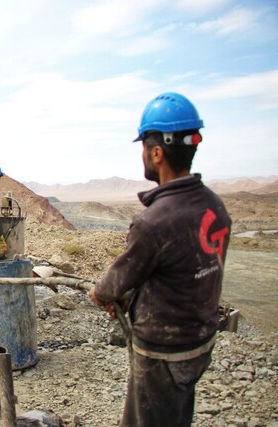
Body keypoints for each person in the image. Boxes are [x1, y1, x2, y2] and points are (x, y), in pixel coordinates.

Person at [88, 92, 232, 426]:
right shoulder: (214, 205)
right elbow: (181, 271)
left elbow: (110, 287)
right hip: (199, 342)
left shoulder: (154, 222)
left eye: (143, 148)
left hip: (163, 352)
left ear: (156, 152)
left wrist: (106, 294)